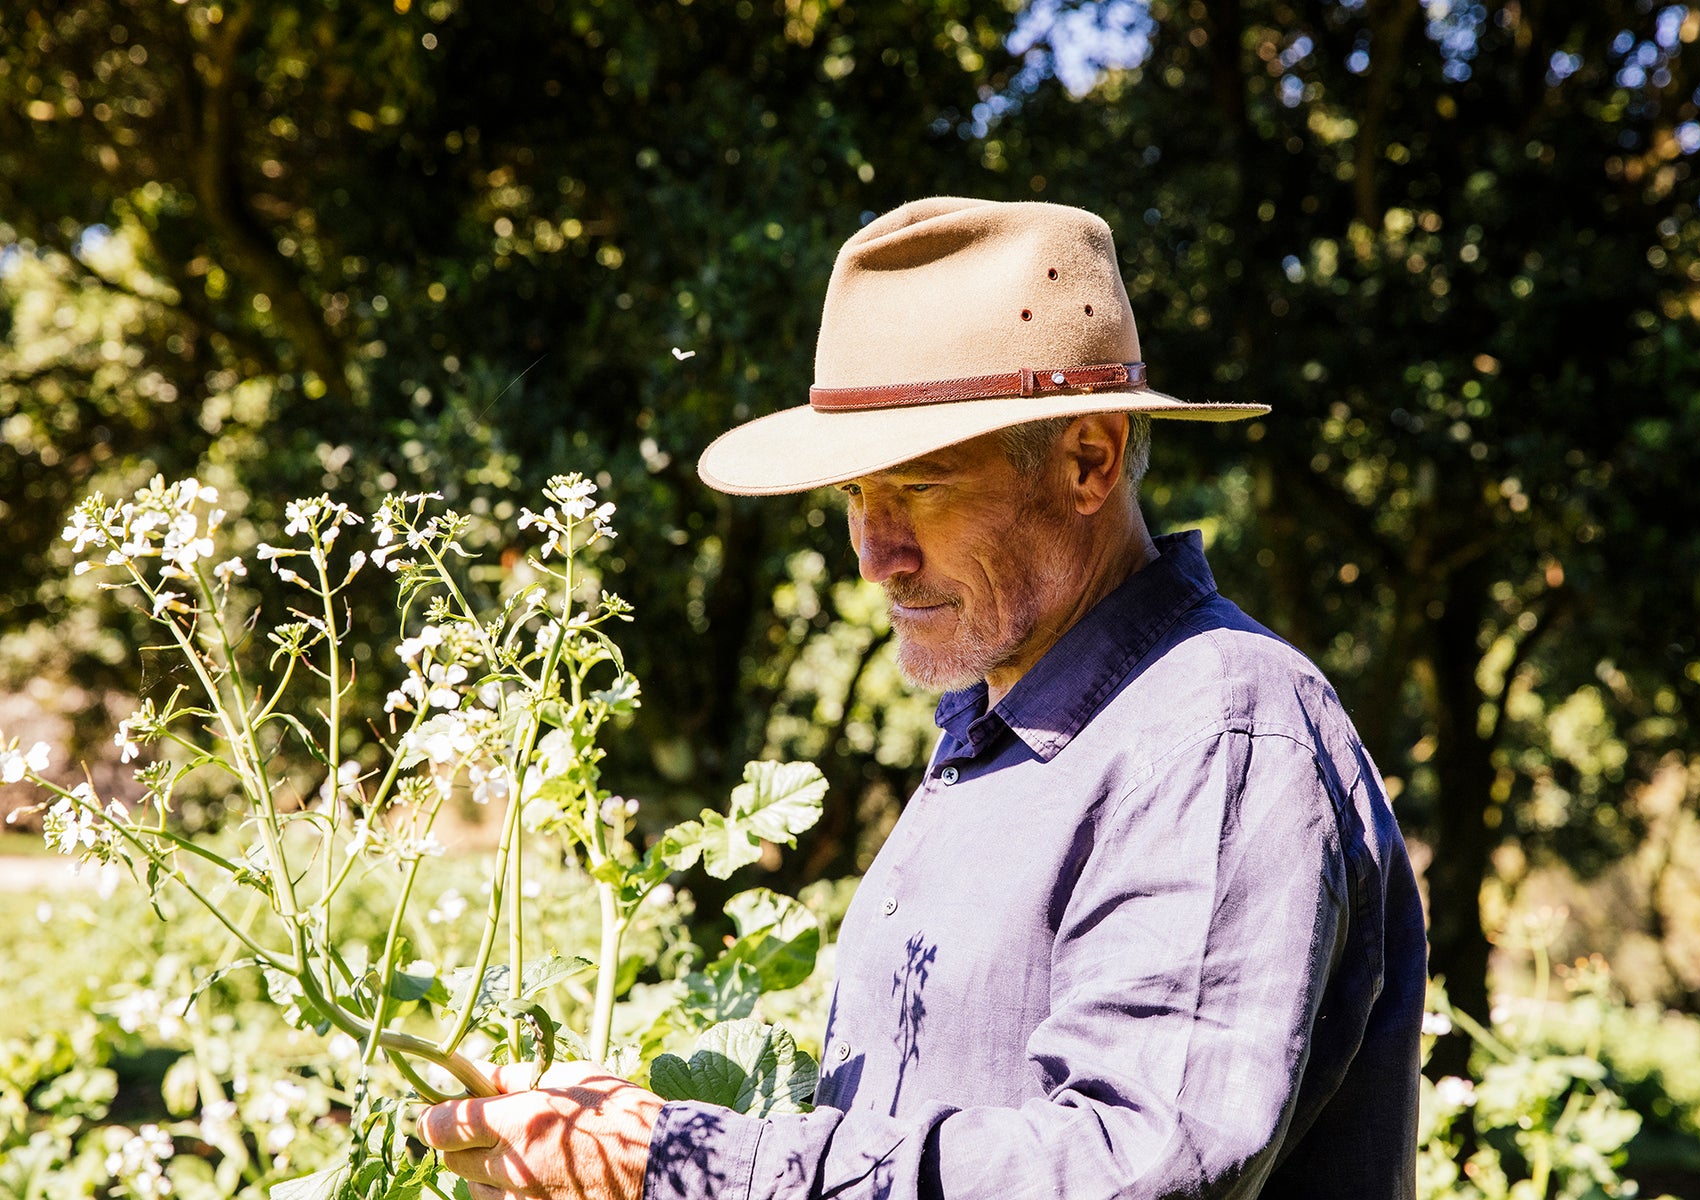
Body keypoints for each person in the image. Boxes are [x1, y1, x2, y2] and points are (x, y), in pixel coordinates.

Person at [421, 197, 1428, 1199]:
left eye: (922, 488)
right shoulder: (1002, 733)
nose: (876, 556)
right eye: (857, 496)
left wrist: (696, 1168)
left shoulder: (1215, 732)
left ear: (1089, 460)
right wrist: (641, 1143)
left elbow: (1142, 1166)